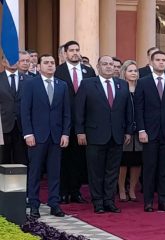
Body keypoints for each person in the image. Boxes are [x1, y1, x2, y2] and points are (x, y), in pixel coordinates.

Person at [75, 55, 133, 214]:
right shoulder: (87, 84)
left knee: (112, 170)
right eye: (105, 64)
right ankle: (98, 202)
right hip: (94, 134)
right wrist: (80, 131)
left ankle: (109, 201)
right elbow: (79, 110)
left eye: (111, 64)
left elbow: (128, 110)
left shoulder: (122, 85)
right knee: (96, 171)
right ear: (98, 66)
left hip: (117, 135)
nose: (109, 67)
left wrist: (128, 131)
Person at [21, 54, 71, 218]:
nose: (50, 65)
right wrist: (28, 133)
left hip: (56, 136)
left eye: (52, 63)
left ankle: (54, 204)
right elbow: (25, 111)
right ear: (39, 66)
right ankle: (34, 204)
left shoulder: (62, 85)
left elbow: (66, 113)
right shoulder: (30, 84)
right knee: (35, 172)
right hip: (36, 135)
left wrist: (65, 133)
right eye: (46, 63)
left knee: (55, 172)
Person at [134, 51, 165, 212]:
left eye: (164, 60)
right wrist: (141, 129)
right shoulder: (143, 82)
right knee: (149, 168)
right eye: (158, 60)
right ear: (151, 62)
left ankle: (164, 200)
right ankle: (148, 201)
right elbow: (138, 108)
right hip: (149, 132)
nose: (161, 63)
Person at [55, 40, 96, 204]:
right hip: (64, 121)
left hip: (85, 122)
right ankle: (63, 191)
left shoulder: (88, 71)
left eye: (77, 50)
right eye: (71, 50)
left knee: (80, 158)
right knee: (64, 158)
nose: (75, 53)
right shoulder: (58, 71)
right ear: (65, 53)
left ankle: (76, 191)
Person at [118, 60, 142, 202]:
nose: (134, 73)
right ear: (124, 73)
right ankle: (121, 188)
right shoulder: (120, 87)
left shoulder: (142, 87)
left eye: (135, 71)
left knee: (136, 161)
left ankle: (132, 189)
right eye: (130, 71)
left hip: (140, 130)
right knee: (123, 161)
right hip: (124, 130)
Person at [0, 56, 29, 165]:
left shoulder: (28, 80)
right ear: (3, 62)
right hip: (3, 127)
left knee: (22, 160)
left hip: (23, 127)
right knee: (3, 159)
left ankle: (22, 183)